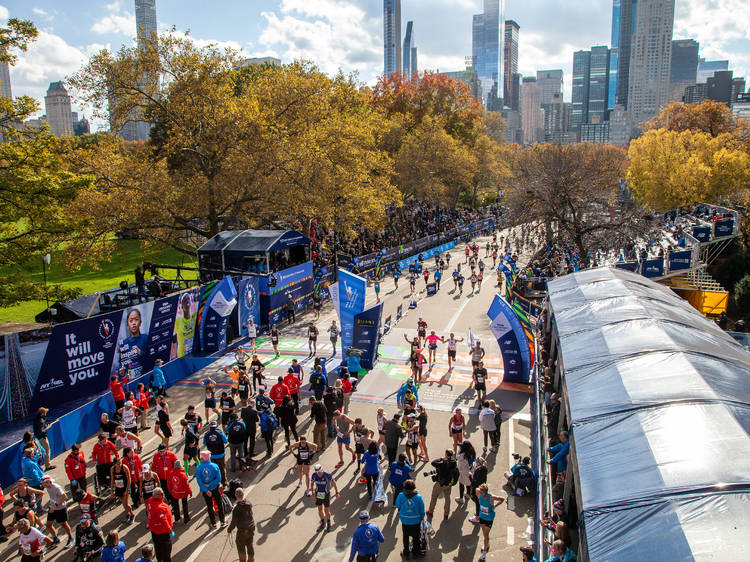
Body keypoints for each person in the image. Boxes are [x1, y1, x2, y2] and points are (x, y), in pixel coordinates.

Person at [394, 479, 425, 559]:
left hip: (405, 520)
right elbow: (422, 509)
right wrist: (422, 517)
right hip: (416, 520)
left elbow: (397, 505)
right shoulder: (418, 497)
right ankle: (415, 552)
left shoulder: (401, 495)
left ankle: (406, 552)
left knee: (405, 536)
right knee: (416, 537)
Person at [426, 450, 458, 521]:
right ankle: (446, 514)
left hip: (440, 483)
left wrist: (441, 459)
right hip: (449, 483)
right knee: (447, 498)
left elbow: (433, 463)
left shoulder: (442, 463)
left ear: (446, 454)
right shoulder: (453, 462)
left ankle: (430, 511)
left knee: (434, 496)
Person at [196, 451, 226, 528]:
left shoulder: (199, 467)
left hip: (206, 490)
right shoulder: (215, 466)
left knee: (209, 506)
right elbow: (219, 479)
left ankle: (213, 523)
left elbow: (199, 481)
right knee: (219, 504)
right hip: (215, 488)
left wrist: (206, 490)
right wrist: (211, 484)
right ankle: (222, 521)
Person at [41, 476, 73, 547]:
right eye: (42, 484)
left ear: (49, 482)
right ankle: (55, 539)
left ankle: (70, 537)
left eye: (44, 483)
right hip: (52, 507)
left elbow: (65, 497)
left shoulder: (56, 488)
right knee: (48, 525)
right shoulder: (48, 488)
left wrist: (55, 505)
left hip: (60, 508)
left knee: (63, 524)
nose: (43, 485)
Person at [227, 488, 256, 562]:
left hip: (242, 531)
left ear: (236, 496)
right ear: (243, 494)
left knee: (241, 547)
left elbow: (234, 522)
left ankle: (243, 560)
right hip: (251, 529)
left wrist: (229, 529)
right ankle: (251, 559)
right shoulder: (248, 503)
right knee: (250, 545)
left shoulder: (237, 509)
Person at [145, 488, 173, 562]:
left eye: (162, 493)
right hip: (163, 532)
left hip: (154, 530)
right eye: (161, 494)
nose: (163, 495)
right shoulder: (160, 507)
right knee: (166, 552)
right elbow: (164, 521)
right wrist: (170, 531)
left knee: (158, 549)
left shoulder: (150, 501)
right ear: (156, 495)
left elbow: (148, 512)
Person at [119, 308, 148, 379]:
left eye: (136, 320)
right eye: (131, 321)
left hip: (145, 377)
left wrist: (140, 352)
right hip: (132, 381)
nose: (134, 323)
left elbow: (150, 358)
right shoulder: (124, 343)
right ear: (127, 325)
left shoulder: (145, 338)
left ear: (140, 322)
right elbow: (122, 363)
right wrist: (121, 372)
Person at [310, 464, 339, 532]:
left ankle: (329, 524)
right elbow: (312, 484)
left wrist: (337, 492)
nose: (318, 473)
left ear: (322, 469)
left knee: (327, 510)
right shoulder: (314, 475)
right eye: (317, 472)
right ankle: (323, 523)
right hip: (318, 494)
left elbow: (334, 482)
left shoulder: (327, 475)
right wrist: (313, 494)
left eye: (319, 471)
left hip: (326, 494)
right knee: (320, 509)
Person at [109, 456, 134, 523]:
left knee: (126, 503)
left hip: (125, 487)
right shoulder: (112, 469)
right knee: (123, 503)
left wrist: (127, 490)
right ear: (114, 464)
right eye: (118, 464)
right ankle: (127, 514)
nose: (119, 465)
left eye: (120, 463)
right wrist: (111, 490)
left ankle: (132, 514)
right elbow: (112, 480)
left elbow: (129, 479)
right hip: (118, 488)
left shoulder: (124, 468)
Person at [203, 420, 229, 486]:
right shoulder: (220, 432)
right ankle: (224, 482)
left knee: (214, 469)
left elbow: (204, 443)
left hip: (212, 455)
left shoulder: (206, 434)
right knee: (222, 469)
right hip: (220, 454)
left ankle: (216, 483)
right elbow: (226, 441)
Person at [455, 441, 476, 506]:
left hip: (463, 472)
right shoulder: (472, 452)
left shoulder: (463, 455)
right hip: (470, 471)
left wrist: (459, 449)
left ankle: (461, 498)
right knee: (468, 484)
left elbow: (457, 457)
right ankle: (468, 494)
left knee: (461, 484)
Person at [469, 457, 489, 522]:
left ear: (478, 463)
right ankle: (479, 513)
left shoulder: (478, 470)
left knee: (477, 502)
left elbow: (474, 482)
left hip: (477, 488)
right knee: (479, 502)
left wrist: (470, 477)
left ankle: (477, 517)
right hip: (482, 487)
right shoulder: (485, 468)